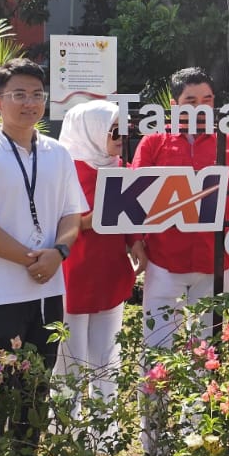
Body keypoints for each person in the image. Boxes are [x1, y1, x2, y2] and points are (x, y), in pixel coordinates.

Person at [0, 59, 85, 389]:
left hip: (48, 293)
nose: (30, 103)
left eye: (37, 94)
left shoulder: (59, 153)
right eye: (19, 95)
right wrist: (33, 259)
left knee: (37, 394)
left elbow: (72, 213)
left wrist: (59, 252)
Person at [129, 67, 229, 352]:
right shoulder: (154, 142)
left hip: (215, 260)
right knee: (157, 347)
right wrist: (135, 241)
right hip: (164, 258)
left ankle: (204, 385)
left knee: (206, 350)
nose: (201, 108)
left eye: (207, 100)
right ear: (174, 105)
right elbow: (134, 196)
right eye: (191, 101)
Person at [55, 99, 139, 437]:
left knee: (108, 359)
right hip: (73, 276)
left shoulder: (121, 168)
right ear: (91, 131)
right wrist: (99, 214)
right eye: (114, 131)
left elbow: (130, 214)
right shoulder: (64, 170)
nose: (121, 138)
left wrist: (136, 242)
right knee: (69, 363)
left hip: (110, 273)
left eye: (124, 130)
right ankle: (67, 436)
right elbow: (60, 223)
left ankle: (106, 436)